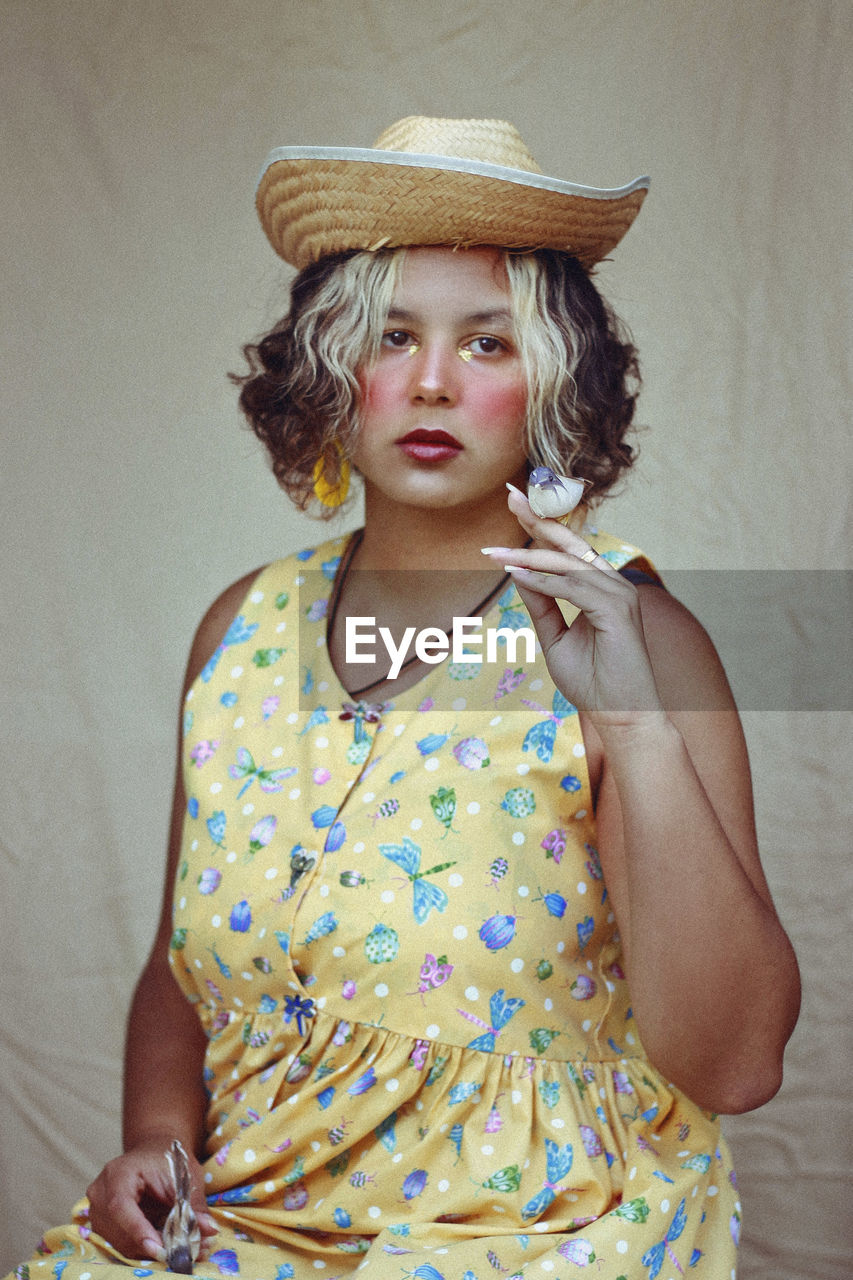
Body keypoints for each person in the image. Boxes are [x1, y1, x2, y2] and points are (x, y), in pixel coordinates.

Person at [13, 116, 800, 1280]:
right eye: (389, 337)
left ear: (551, 385)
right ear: (333, 376)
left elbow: (735, 1065)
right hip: (252, 1224)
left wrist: (630, 724)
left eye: (487, 344)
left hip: (539, 1236)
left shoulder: (630, 636)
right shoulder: (240, 626)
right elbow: (185, 969)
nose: (431, 380)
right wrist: (158, 1144)